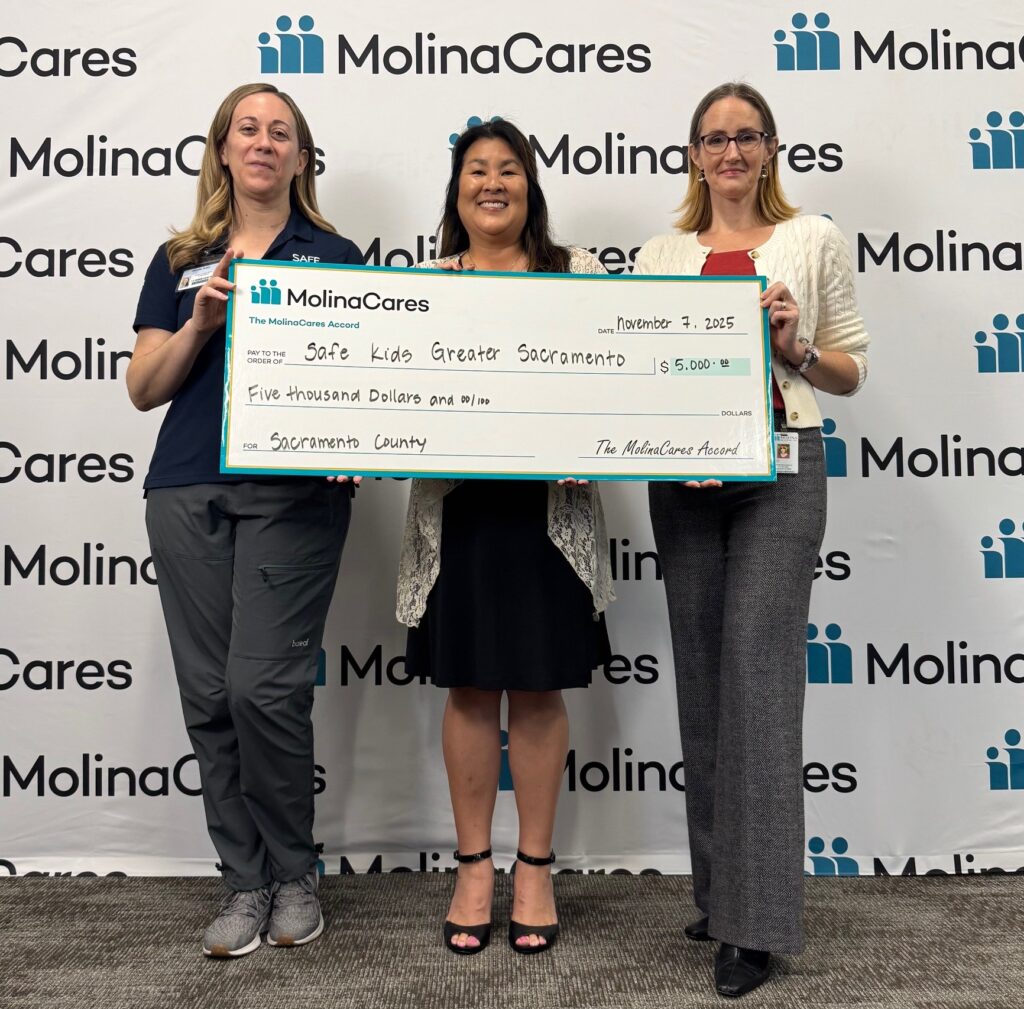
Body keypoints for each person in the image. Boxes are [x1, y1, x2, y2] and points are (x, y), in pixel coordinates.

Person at [634, 82, 869, 998]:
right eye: (713, 138)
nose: (730, 151)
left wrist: (795, 345)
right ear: (693, 155)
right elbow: (638, 372)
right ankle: (720, 891)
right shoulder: (659, 255)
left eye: (747, 136)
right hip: (682, 480)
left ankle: (757, 922)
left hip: (782, 466)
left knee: (759, 685)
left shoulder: (812, 239)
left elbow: (849, 369)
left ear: (771, 147)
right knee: (703, 681)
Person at [126, 83, 362, 958]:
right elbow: (143, 386)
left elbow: (363, 380)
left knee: (261, 689)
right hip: (186, 488)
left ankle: (295, 871)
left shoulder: (334, 256)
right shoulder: (180, 257)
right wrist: (198, 325)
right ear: (222, 148)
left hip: (293, 494)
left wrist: (357, 438)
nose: (263, 142)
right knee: (208, 697)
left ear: (300, 157)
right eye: (247, 128)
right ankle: (244, 879)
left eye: (281, 132)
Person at [397, 119, 614, 956]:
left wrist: (592, 441)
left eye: (510, 169)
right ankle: (472, 869)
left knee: (538, 687)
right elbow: (391, 395)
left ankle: (535, 868)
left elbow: (616, 384)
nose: (493, 183)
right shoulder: (422, 287)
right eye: (477, 170)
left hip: (549, 515)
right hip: (459, 512)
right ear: (456, 191)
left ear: (531, 186)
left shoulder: (579, 275)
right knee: (468, 687)